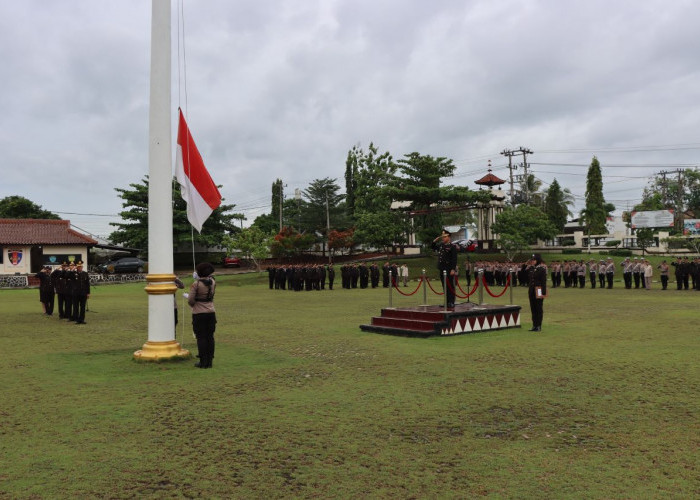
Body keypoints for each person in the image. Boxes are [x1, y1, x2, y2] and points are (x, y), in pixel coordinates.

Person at [186, 262, 217, 369]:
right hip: (211, 312)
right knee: (210, 337)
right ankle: (209, 361)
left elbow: (190, 300)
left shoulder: (196, 284)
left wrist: (193, 303)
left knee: (201, 337)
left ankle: (203, 361)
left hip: (199, 313)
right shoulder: (212, 281)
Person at [432, 229, 458, 308]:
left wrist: (453, 269)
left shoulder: (452, 246)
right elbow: (433, 247)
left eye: (445, 237)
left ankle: (451, 302)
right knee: (444, 286)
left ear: (449, 237)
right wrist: (434, 241)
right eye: (442, 237)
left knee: (450, 286)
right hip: (442, 268)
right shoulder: (441, 245)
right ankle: (446, 302)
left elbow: (454, 259)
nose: (443, 238)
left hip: (449, 269)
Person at [527, 253, 547, 332]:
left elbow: (543, 282)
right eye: (532, 260)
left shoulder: (542, 269)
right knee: (533, 308)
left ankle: (538, 325)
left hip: (539, 290)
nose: (532, 261)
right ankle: (534, 325)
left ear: (538, 260)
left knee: (538, 308)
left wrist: (543, 293)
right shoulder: (531, 268)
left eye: (534, 260)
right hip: (532, 291)